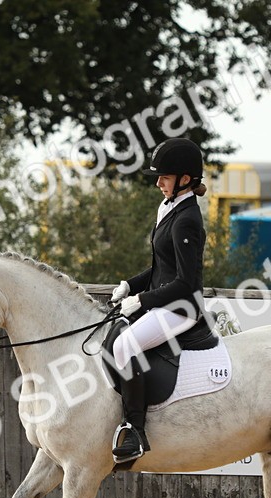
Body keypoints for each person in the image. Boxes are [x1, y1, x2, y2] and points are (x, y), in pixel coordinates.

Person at [109, 137, 211, 464]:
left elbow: (186, 283)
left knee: (125, 346)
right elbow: (160, 267)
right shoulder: (168, 208)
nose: (158, 182)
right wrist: (130, 284)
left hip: (181, 308)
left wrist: (141, 300)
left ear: (185, 179)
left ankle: (135, 429)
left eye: (164, 177)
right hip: (162, 301)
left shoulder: (187, 220)